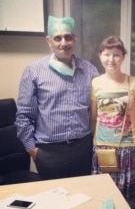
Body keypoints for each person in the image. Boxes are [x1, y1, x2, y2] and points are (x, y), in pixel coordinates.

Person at [15, 15, 99, 180]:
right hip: (49, 153)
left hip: (83, 149)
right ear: (49, 41)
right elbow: (23, 117)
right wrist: (34, 152)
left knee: (83, 196)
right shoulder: (34, 71)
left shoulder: (89, 70)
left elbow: (99, 109)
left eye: (68, 37)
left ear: (74, 38)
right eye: (57, 38)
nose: (64, 43)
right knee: (56, 201)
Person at [91, 36, 135, 209]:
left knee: (129, 198)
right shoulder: (96, 83)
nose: (111, 59)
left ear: (123, 57)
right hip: (103, 150)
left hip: (129, 150)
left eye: (116, 55)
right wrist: (97, 145)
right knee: (105, 196)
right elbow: (94, 117)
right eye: (107, 54)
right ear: (100, 56)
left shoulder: (134, 83)